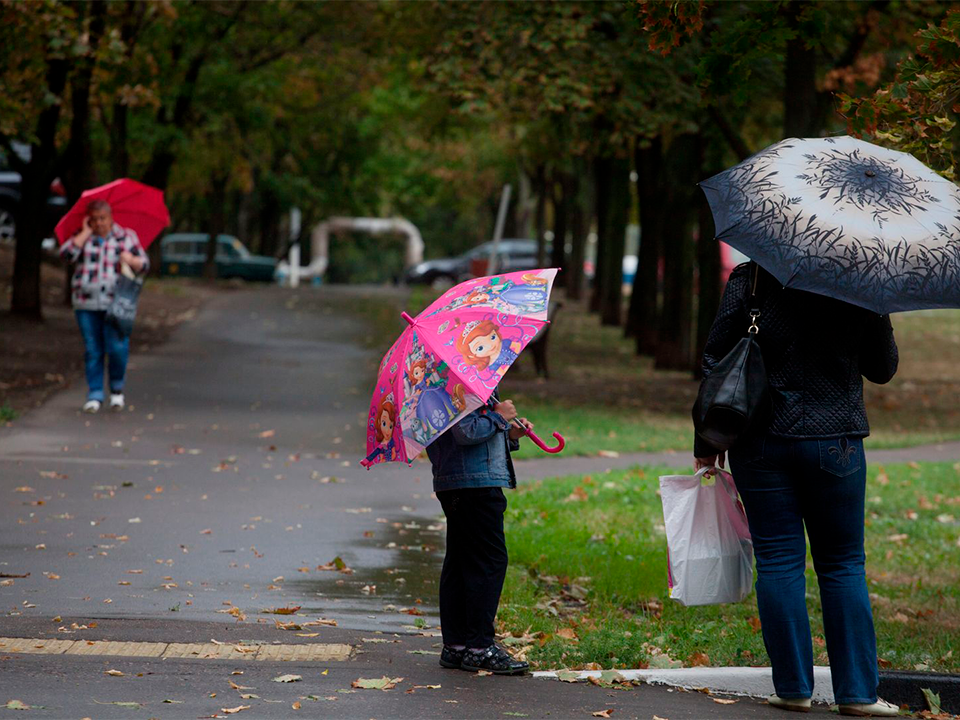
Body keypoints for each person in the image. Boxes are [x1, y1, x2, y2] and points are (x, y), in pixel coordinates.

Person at [694, 262, 900, 717]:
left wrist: (708, 441)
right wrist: (878, 309)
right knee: (843, 564)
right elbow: (882, 369)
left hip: (760, 441)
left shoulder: (752, 277)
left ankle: (792, 688)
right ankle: (859, 695)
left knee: (778, 560)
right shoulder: (862, 282)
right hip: (836, 443)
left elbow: (715, 359)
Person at [429, 389, 530, 675]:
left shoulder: (444, 382)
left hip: (460, 482)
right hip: (474, 486)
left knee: (461, 562)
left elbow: (467, 440)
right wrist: (499, 417)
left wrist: (509, 435)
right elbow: (464, 432)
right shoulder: (458, 383)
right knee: (490, 561)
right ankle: (479, 647)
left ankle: (457, 645)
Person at [59, 199, 149, 413]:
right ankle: (95, 394)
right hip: (86, 302)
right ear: (88, 219)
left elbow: (145, 264)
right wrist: (83, 233)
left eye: (103, 218)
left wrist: (133, 261)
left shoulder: (126, 237)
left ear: (110, 217)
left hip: (115, 304)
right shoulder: (82, 238)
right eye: (94, 219)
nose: (99, 223)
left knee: (117, 348)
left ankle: (117, 389)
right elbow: (66, 255)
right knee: (93, 349)